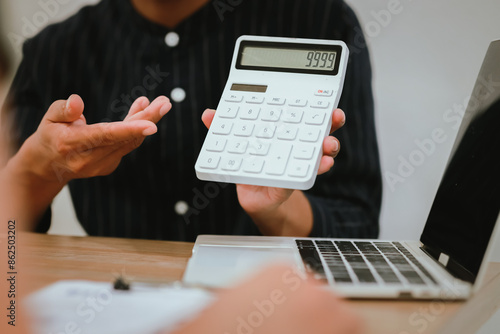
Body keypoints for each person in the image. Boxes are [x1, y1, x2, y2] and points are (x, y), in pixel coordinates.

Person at [2, 0, 382, 240]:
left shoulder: (320, 21)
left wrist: (277, 210)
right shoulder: (55, 50)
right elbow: (8, 245)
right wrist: (34, 173)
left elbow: (357, 225)